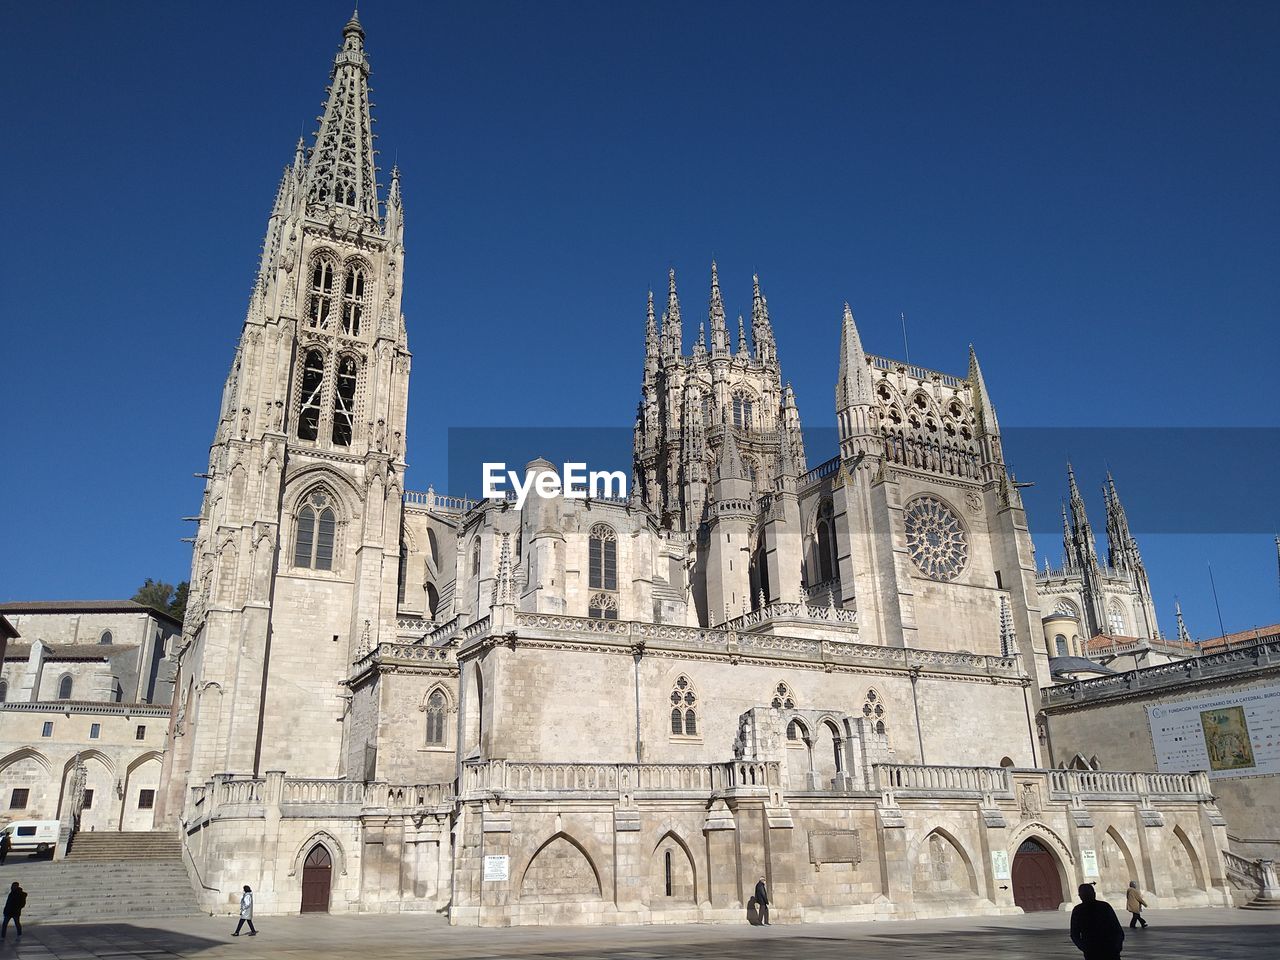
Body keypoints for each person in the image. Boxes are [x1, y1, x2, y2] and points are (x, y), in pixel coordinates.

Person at [1070, 883, 1124, 960]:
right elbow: (1117, 929)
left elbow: (1074, 934)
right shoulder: (1104, 906)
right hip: (1103, 948)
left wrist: (1084, 947)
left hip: (1104, 948)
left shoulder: (1103, 907)